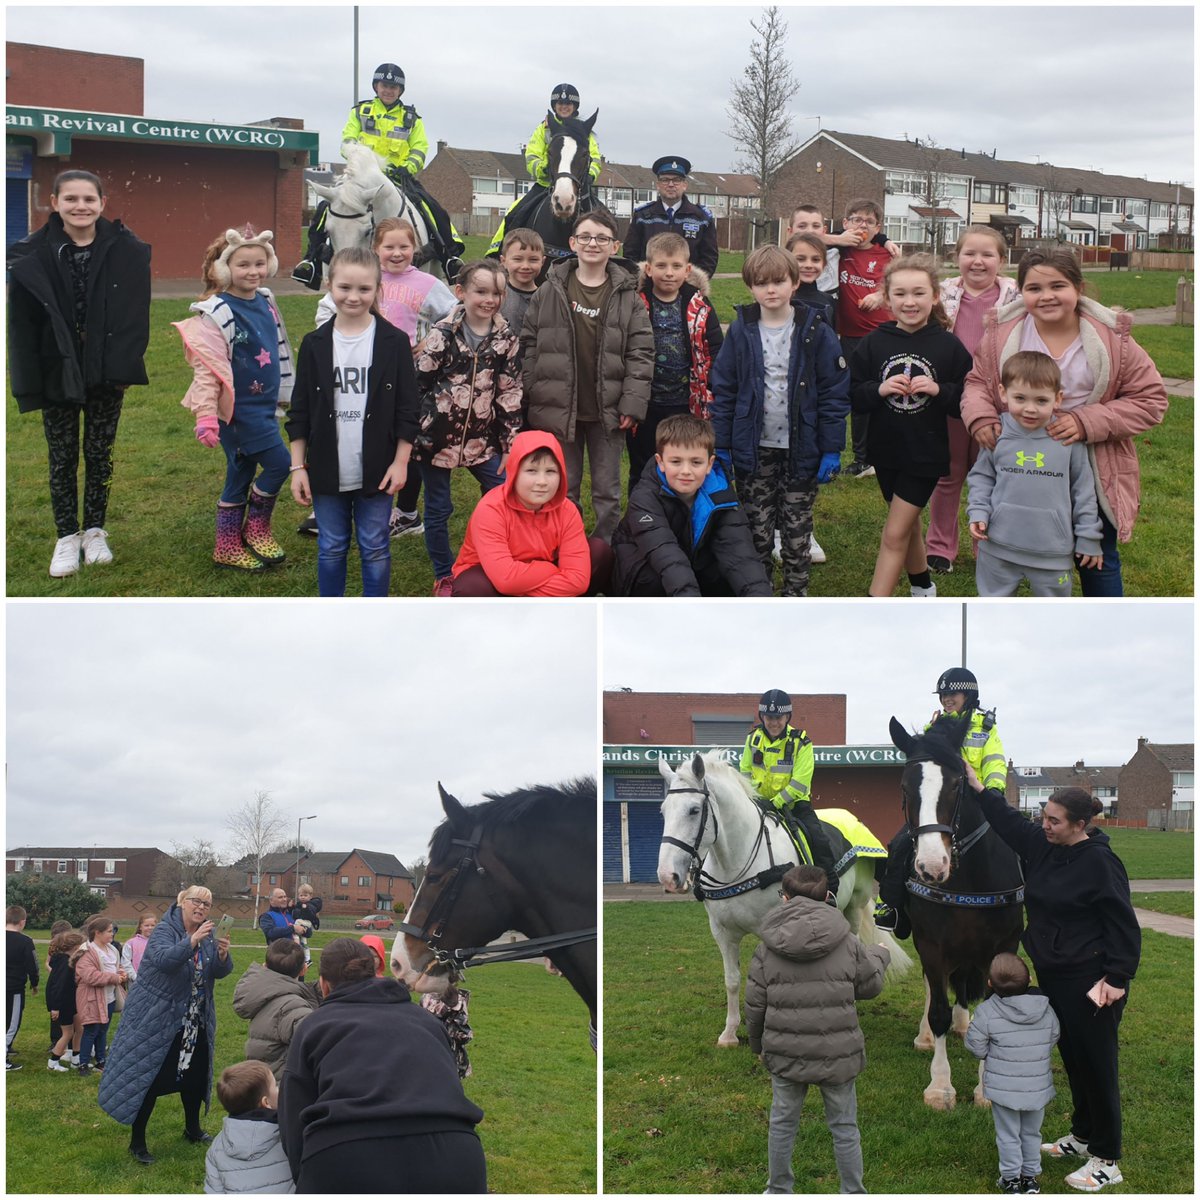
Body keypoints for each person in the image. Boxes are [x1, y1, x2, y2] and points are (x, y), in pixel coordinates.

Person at [960, 247, 1168, 596]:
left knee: (1098, 558)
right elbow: (978, 382)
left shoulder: (1113, 340)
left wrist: (1086, 421)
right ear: (1021, 291)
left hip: (1093, 463)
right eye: (1034, 288)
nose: (1046, 297)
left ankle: (1100, 637)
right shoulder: (1002, 335)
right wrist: (980, 415)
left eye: (1058, 286)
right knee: (1010, 552)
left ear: (1078, 288)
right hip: (1019, 465)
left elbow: (1151, 400)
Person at [965, 781, 1141, 1193]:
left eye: (1053, 820)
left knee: (1098, 1066)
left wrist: (1116, 978)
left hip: (1094, 981)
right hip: (1056, 976)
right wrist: (979, 789)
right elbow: (1008, 822)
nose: (1043, 825)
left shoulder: (1100, 863)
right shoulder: (1044, 844)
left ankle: (1107, 1157)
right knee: (1073, 1058)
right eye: (1043, 816)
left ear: (1079, 825)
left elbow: (1123, 925)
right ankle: (1081, 1136)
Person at [7, 168, 151, 577]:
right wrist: (31, 376)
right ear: (54, 203)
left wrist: (124, 365)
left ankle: (94, 530)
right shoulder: (30, 253)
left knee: (100, 454)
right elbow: (23, 326)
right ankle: (67, 534)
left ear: (102, 203)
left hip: (106, 370)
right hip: (58, 369)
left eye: (89, 199)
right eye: (71, 199)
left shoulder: (127, 249)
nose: (80, 206)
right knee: (63, 455)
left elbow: (134, 317)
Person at [278, 938, 486, 1192]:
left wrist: (307, 1174)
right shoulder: (427, 1021)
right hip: (456, 1155)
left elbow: (293, 1116)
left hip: (346, 1156)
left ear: (324, 985)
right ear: (374, 974)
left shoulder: (314, 1026)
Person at [710, 245, 849, 597]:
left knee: (796, 528)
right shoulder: (741, 331)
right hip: (754, 448)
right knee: (756, 528)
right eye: (761, 283)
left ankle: (795, 594)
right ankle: (760, 593)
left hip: (802, 448)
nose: (770, 290)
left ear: (794, 283)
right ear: (750, 287)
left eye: (778, 281)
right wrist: (723, 444)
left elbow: (834, 391)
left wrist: (831, 448)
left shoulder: (816, 330)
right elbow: (724, 389)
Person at [745, 865, 890, 1194]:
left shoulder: (766, 948)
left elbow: (754, 1005)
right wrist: (879, 956)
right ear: (828, 897)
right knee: (844, 1126)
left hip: (784, 1053)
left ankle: (778, 1189)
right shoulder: (849, 943)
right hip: (837, 1055)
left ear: (784, 898)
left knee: (782, 1123)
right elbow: (869, 986)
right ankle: (853, 1191)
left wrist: (758, 1047)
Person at [287, 246, 420, 597]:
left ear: (379, 290)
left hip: (379, 468)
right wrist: (297, 466)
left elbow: (409, 408)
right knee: (331, 546)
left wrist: (401, 462)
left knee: (375, 546)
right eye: (345, 287)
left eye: (364, 289)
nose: (354, 296)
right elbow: (298, 411)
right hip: (327, 467)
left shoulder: (393, 343)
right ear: (330, 285)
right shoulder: (315, 344)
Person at [521, 209, 654, 541]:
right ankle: (566, 548)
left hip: (607, 412)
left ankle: (604, 553)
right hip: (558, 407)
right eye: (585, 236)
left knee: (607, 493)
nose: (592, 243)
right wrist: (533, 388)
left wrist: (632, 404)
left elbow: (641, 352)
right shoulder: (549, 290)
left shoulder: (628, 296)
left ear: (615, 246)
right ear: (572, 243)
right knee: (564, 488)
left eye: (602, 238)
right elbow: (529, 343)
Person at [849, 252, 973, 597]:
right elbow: (854, 395)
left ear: (935, 296)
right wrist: (879, 389)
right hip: (885, 451)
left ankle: (876, 607)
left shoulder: (949, 346)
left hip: (926, 455)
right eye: (900, 294)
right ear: (887, 299)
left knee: (893, 534)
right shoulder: (874, 342)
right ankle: (923, 588)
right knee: (906, 525)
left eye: (919, 293)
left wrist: (938, 390)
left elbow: (965, 398)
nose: (910, 301)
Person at [175, 228, 294, 572]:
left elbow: (280, 348)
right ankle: (256, 529)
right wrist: (206, 416)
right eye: (243, 265)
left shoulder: (266, 300)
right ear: (225, 269)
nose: (253, 272)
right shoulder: (216, 313)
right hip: (239, 414)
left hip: (264, 408)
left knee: (240, 473)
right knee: (279, 464)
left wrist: (288, 394)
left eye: (260, 263)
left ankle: (226, 545)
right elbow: (207, 369)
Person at [293, 64, 463, 286]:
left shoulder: (412, 118)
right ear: (376, 86)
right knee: (327, 207)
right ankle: (311, 261)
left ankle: (449, 257)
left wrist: (409, 167)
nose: (388, 90)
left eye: (394, 86)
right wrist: (357, 157)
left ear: (400, 90)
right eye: (384, 85)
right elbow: (347, 141)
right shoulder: (360, 112)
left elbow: (420, 147)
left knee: (432, 209)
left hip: (398, 177)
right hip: (361, 177)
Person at [99, 885, 233, 1164]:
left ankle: (192, 1128)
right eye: (196, 901)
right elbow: (163, 961)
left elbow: (216, 973)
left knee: (195, 1077)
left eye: (207, 904)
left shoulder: (207, 934)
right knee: (148, 1078)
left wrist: (222, 956)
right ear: (182, 902)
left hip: (194, 1021)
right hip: (157, 1021)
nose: (202, 908)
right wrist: (192, 940)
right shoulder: (164, 930)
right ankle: (137, 1142)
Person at [412, 260, 523, 595]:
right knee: (438, 507)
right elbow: (418, 384)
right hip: (435, 440)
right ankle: (444, 572)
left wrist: (509, 443)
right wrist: (411, 435)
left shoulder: (505, 338)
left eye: (497, 293)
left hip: (481, 439)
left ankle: (501, 557)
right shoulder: (442, 334)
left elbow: (510, 391)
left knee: (503, 493)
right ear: (461, 292)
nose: (489, 299)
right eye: (481, 291)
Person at [874, 666, 1006, 938]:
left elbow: (995, 762)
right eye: (943, 694)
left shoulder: (985, 728)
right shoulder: (932, 727)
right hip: (943, 806)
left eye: (952, 693)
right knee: (899, 844)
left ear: (969, 695)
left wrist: (992, 791)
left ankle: (1030, 899)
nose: (947, 699)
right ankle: (890, 906)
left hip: (980, 801)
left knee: (1015, 844)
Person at [967, 351, 1103, 597]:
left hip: (1052, 554)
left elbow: (1083, 491)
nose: (1030, 409)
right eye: (1020, 398)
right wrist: (978, 511)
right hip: (997, 548)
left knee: (1051, 622)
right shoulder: (997, 432)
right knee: (991, 616)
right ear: (1003, 393)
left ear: (1058, 398)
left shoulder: (1068, 439)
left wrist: (1089, 537)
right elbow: (982, 477)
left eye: (1041, 401)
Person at [926, 226, 1021, 574]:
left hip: (998, 402)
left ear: (1001, 260)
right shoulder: (941, 294)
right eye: (970, 254)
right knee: (949, 473)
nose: (978, 262)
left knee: (993, 474)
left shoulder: (1018, 298)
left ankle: (988, 546)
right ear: (957, 257)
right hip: (951, 396)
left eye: (987, 255)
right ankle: (939, 547)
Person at [611, 412, 771, 596]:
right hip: (644, 570)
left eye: (696, 462)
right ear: (660, 462)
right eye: (676, 462)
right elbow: (667, 556)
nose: (685, 471)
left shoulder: (722, 494)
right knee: (654, 578)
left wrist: (761, 605)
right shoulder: (644, 498)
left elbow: (740, 554)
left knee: (730, 573)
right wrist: (692, 606)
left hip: (692, 565)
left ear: (710, 464)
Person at [449, 429, 611, 597]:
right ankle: (505, 617)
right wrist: (550, 570)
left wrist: (519, 587)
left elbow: (577, 581)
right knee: (471, 587)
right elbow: (505, 579)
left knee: (599, 552)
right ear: (514, 472)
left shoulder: (567, 510)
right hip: (493, 581)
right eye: (531, 471)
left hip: (524, 581)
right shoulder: (491, 510)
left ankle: (560, 615)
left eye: (550, 471)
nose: (542, 482)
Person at [626, 231, 724, 485]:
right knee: (643, 464)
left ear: (687, 269)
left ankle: (682, 515)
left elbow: (715, 348)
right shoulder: (635, 303)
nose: (669, 272)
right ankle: (642, 516)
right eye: (661, 266)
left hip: (685, 402)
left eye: (676, 266)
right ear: (648, 269)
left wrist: (713, 387)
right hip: (646, 402)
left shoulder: (700, 306)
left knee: (682, 462)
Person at [965, 952, 1061, 1195]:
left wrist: (990, 1055)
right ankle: (1030, 1178)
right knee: (1031, 1132)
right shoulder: (1046, 1009)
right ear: (1029, 978)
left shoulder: (986, 1012)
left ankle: (1010, 1179)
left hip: (1003, 1089)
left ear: (989, 984)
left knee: (1008, 1135)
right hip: (1036, 1087)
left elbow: (974, 1045)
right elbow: (1053, 1036)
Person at [740, 691, 840, 895]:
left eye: (778, 718)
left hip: (795, 807)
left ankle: (830, 889)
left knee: (819, 841)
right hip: (759, 805)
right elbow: (745, 772)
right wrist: (755, 800)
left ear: (787, 717)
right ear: (762, 717)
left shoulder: (801, 742)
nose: (773, 722)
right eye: (769, 717)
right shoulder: (752, 739)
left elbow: (800, 784)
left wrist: (775, 803)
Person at [486, 84, 603, 257]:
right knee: (515, 214)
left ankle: (613, 259)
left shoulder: (584, 132)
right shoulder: (543, 129)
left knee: (605, 219)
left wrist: (590, 175)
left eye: (568, 104)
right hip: (544, 185)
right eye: (560, 103)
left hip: (578, 186)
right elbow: (532, 156)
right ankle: (499, 254)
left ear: (575, 107)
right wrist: (544, 169)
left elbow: (594, 158)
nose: (564, 106)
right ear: (554, 106)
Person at [836, 198, 895, 479]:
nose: (862, 226)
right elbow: (805, 238)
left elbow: (903, 286)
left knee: (885, 395)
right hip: (848, 336)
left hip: (881, 335)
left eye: (869, 222)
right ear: (845, 222)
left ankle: (885, 453)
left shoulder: (887, 254)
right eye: (856, 219)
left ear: (878, 227)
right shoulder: (838, 250)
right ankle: (862, 459)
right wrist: (837, 236)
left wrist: (880, 295)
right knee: (857, 396)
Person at [231, 940, 320, 1083]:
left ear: (265, 966)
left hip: (266, 1083)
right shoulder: (292, 1007)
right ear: (304, 969)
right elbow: (318, 1046)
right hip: (284, 1090)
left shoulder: (263, 995)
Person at [204, 1059, 294, 1194]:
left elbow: (214, 1191)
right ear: (266, 1102)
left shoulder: (217, 1148)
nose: (279, 1088)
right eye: (275, 1085)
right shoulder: (288, 1136)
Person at [623, 156, 719, 276]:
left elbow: (709, 258)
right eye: (665, 180)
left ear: (685, 185)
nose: (671, 184)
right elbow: (630, 255)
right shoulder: (642, 217)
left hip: (688, 288)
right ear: (658, 185)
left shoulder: (701, 218)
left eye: (676, 180)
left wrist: (691, 284)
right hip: (648, 288)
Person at [787, 203, 899, 298]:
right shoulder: (785, 257)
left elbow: (863, 232)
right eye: (802, 226)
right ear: (790, 231)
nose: (809, 231)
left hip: (829, 310)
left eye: (816, 226)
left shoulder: (838, 246)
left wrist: (885, 241)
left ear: (824, 230)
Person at [72, 915, 127, 1075]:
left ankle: (101, 1061)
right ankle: (83, 1064)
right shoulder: (86, 951)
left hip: (108, 997)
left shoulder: (112, 949)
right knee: (91, 1031)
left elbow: (114, 968)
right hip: (91, 998)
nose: (112, 934)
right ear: (97, 932)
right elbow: (90, 976)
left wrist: (120, 972)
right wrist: (115, 977)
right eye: (109, 931)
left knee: (103, 1030)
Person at [6, 905, 40, 1070]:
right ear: (22, 922)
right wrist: (35, 983)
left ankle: (7, 1045)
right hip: (13, 988)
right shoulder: (25, 941)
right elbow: (32, 965)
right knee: (12, 1022)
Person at [46, 929, 84, 1072]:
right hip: (63, 1004)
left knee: (80, 1029)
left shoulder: (69, 961)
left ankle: (76, 1059)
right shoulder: (64, 963)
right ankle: (53, 1062)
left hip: (72, 1001)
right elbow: (57, 986)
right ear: (75, 947)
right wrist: (55, 1007)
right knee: (67, 1033)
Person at [497, 228, 546, 334]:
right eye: (517, 259)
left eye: (533, 260)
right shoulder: (495, 296)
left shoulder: (547, 299)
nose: (525, 266)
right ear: (503, 261)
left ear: (542, 262)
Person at [784, 232, 836, 327]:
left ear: (824, 264)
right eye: (800, 259)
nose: (808, 265)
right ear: (786, 261)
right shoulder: (780, 298)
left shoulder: (828, 301)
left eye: (815, 260)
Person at [289, 885, 323, 968]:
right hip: (302, 922)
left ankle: (295, 938)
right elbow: (295, 914)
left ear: (310, 896)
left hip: (306, 922)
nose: (303, 897)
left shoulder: (312, 905)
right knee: (304, 942)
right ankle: (308, 959)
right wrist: (291, 907)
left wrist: (306, 908)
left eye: (305, 895)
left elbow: (311, 915)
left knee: (297, 923)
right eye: (301, 895)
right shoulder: (299, 904)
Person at [121, 913, 158, 985]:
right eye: (146, 925)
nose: (150, 928)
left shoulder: (160, 943)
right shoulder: (131, 943)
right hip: (136, 983)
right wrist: (135, 977)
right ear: (140, 927)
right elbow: (126, 962)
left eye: (152, 925)